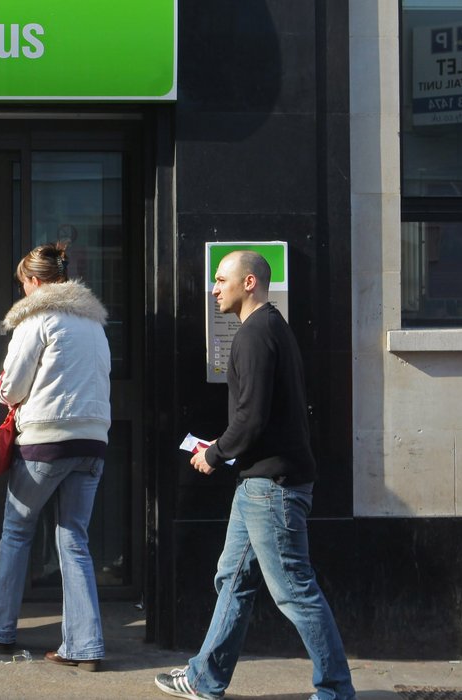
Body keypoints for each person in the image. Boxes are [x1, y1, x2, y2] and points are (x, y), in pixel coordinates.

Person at [153, 251, 355, 700]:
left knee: (295, 592)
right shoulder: (272, 329)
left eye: (221, 280)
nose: (213, 289)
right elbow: (259, 416)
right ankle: (205, 679)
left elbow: (252, 417)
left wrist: (216, 453)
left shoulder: (254, 334)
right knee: (233, 579)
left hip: (272, 489)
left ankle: (337, 690)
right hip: (261, 485)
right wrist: (224, 449)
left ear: (249, 282)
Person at [0, 241, 112, 671]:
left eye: (24, 285)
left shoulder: (36, 320)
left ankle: (0, 629)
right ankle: (85, 646)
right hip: (93, 443)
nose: (23, 294)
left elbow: (13, 387)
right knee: (74, 539)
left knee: (17, 532)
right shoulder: (94, 323)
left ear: (34, 282)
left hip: (45, 441)